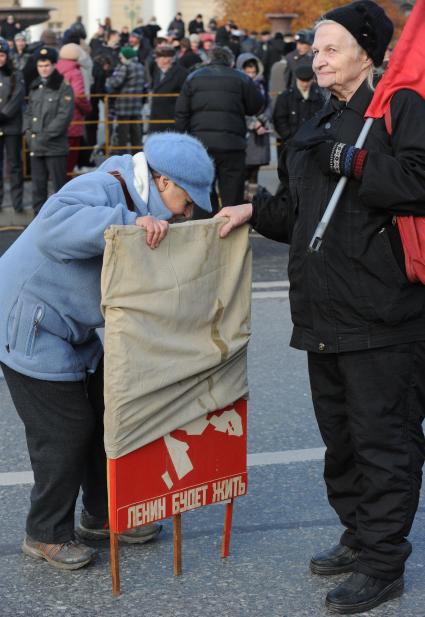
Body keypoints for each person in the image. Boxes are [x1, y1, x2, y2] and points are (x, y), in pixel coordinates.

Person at [216, 1, 425, 613]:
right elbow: (302, 209)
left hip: (383, 311)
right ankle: (360, 536)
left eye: (332, 47)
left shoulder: (399, 106)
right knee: (341, 441)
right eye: (316, 47)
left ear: (368, 52)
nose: (318, 56)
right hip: (321, 311)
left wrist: (358, 162)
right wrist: (253, 212)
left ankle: (385, 562)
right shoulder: (318, 111)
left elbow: (419, 179)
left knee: (384, 442)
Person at [0, 131, 214, 571]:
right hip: (29, 321)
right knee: (64, 433)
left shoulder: (144, 198)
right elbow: (52, 227)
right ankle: (45, 533)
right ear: (164, 182)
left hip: (70, 324)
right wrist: (125, 223)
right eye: (188, 203)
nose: (186, 215)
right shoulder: (104, 189)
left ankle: (100, 516)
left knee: (106, 415)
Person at [175, 45, 263, 218]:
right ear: (231, 61)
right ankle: (230, 237)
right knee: (232, 196)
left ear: (209, 60)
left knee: (203, 195)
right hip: (233, 145)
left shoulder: (193, 78)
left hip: (201, 146)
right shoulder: (242, 78)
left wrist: (182, 141)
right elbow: (255, 106)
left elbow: (181, 113)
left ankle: (204, 237)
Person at [24, 47, 74, 215]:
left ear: (54, 65)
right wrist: (28, 133)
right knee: (38, 188)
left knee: (59, 188)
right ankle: (38, 220)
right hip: (36, 146)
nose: (43, 69)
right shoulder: (35, 86)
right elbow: (29, 112)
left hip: (55, 147)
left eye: (46, 65)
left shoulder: (63, 87)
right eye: (40, 66)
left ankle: (62, 218)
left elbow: (63, 117)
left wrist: (42, 137)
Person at [236, 53, 271, 200]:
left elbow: (269, 105)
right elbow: (237, 109)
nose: (251, 75)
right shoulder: (238, 86)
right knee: (243, 170)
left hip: (260, 133)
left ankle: (252, 202)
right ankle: (242, 202)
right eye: (247, 72)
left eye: (253, 72)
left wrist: (263, 121)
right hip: (246, 133)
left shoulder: (262, 84)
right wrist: (254, 124)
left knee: (255, 170)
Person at [273, 63, 324, 159]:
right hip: (291, 144)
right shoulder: (285, 97)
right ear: (297, 79)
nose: (305, 84)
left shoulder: (320, 97)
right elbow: (279, 119)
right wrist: (289, 137)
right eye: (302, 80)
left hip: (313, 145)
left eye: (307, 81)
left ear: (312, 80)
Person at [56, 43, 92, 175]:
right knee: (70, 159)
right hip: (73, 119)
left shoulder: (56, 68)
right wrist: (87, 108)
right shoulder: (75, 72)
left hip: (57, 119)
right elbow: (79, 96)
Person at [0, 36, 25, 213]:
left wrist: (3, 115)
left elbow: (17, 98)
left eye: (2, 55)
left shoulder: (16, 74)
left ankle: (17, 203)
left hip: (12, 126)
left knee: (15, 165)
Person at [105, 47, 145, 154]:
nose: (120, 58)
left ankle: (123, 155)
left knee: (123, 131)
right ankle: (138, 154)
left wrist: (108, 80)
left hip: (124, 105)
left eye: (121, 56)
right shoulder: (141, 66)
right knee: (135, 131)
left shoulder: (125, 67)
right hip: (136, 105)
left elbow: (116, 82)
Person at [148, 45, 188, 134]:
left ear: (167, 59)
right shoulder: (157, 71)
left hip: (170, 117)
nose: (156, 60)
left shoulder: (181, 73)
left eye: (158, 57)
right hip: (157, 117)